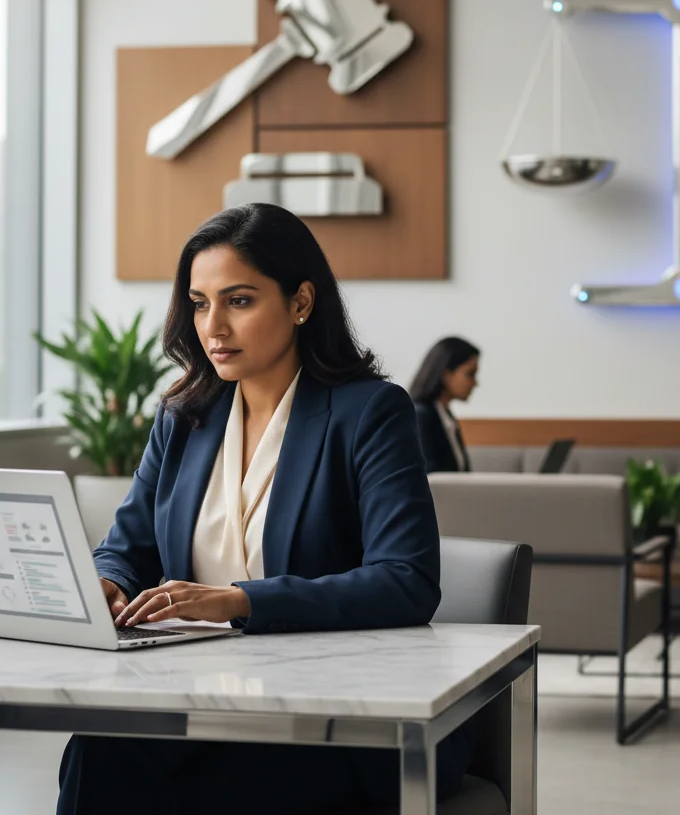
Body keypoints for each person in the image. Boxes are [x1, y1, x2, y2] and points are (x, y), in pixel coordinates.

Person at [57, 204, 473, 814]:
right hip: (199, 702)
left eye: (239, 301)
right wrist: (109, 582)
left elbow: (407, 580)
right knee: (98, 750)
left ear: (301, 302)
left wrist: (241, 600)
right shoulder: (184, 416)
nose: (213, 327)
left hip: (338, 717)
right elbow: (127, 543)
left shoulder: (371, 412)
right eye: (200, 303)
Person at [408, 337, 480, 474]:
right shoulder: (421, 417)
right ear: (446, 374)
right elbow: (431, 479)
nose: (475, 383)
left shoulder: (445, 416)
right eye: (470, 374)